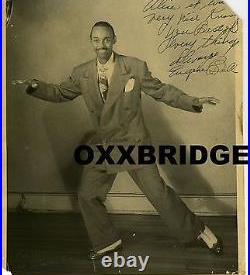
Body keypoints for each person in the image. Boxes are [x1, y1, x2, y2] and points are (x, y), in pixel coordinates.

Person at [13, 21, 222, 260]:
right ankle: (107, 243)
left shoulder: (134, 67)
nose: (101, 45)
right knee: (87, 195)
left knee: (160, 195)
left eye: (106, 40)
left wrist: (194, 101)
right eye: (96, 40)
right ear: (90, 41)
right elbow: (61, 92)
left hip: (134, 144)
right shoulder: (82, 72)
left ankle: (199, 231)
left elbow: (162, 91)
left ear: (114, 40)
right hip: (105, 147)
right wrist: (35, 86)